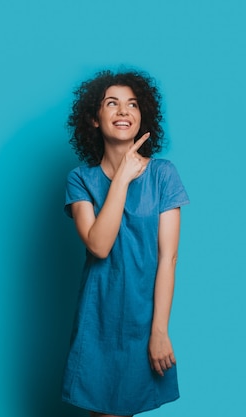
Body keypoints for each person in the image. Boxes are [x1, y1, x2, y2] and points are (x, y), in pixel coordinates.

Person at [61, 69, 189, 417]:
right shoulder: (81, 180)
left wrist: (159, 330)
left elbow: (168, 259)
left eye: (132, 104)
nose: (123, 111)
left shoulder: (164, 175)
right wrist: (121, 179)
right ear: (93, 118)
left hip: (143, 320)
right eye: (112, 103)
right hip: (98, 318)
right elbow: (99, 246)